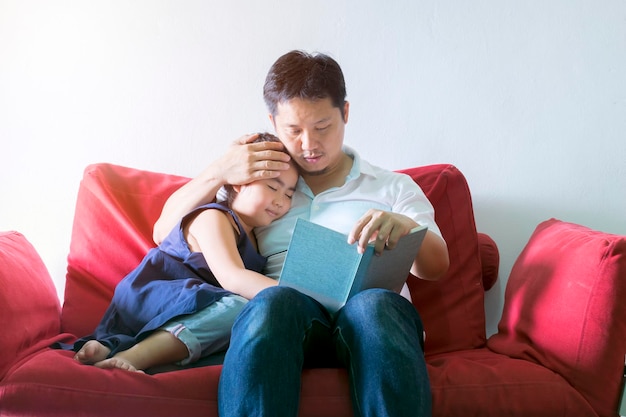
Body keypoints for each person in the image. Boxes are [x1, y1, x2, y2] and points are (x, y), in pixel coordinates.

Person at [154, 50, 450, 416]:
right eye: (293, 130)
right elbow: (163, 232)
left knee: (374, 306)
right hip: (289, 317)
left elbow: (435, 268)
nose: (309, 144)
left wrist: (406, 229)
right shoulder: (260, 185)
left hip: (369, 315)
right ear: (273, 122)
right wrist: (219, 171)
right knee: (273, 304)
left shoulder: (392, 187)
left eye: (322, 127)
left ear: (345, 113)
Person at [72, 133, 299, 373]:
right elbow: (233, 277)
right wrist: (298, 296)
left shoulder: (256, 240)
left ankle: (111, 348)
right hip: (156, 294)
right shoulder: (213, 217)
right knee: (241, 309)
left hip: (191, 308)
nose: (279, 201)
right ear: (238, 182)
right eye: (272, 187)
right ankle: (134, 356)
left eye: (289, 194)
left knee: (244, 342)